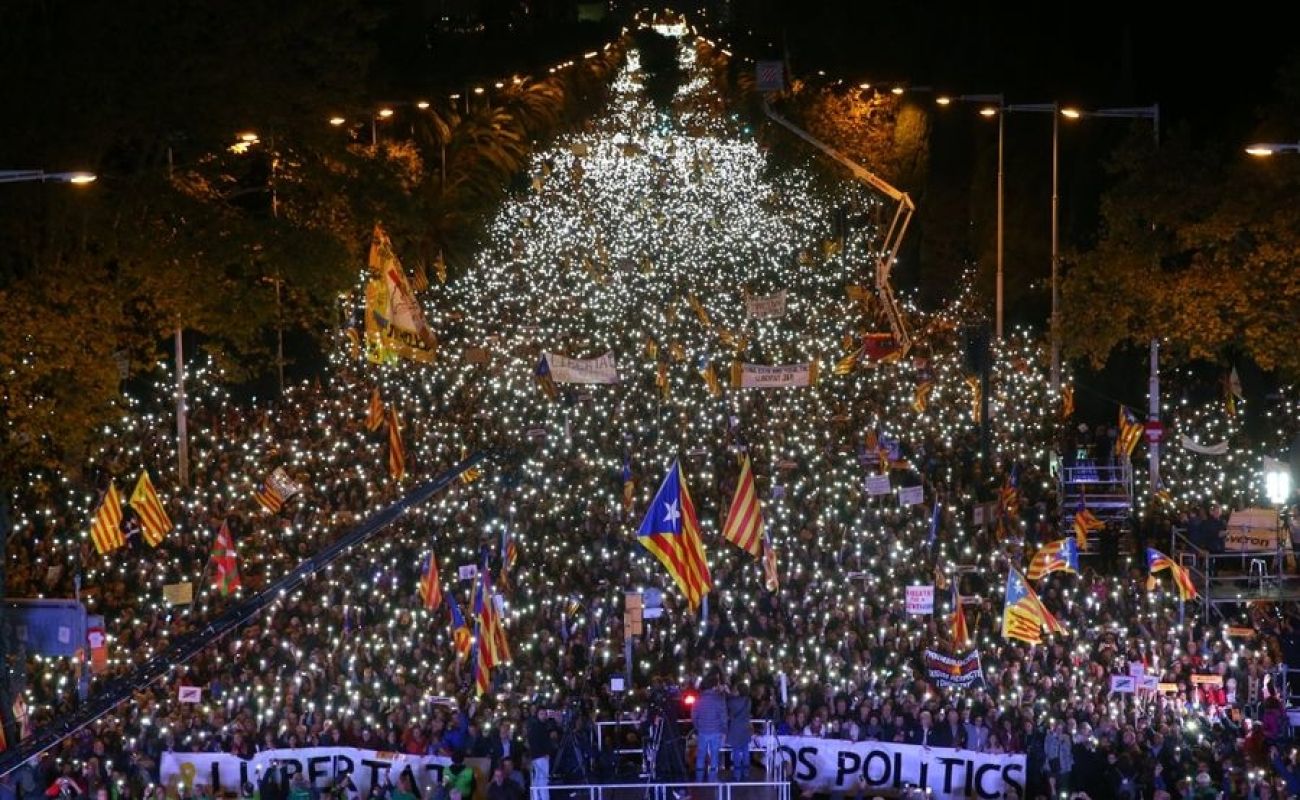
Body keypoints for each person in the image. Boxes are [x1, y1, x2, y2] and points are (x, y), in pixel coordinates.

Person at [691, 675, 728, 782]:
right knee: (714, 755)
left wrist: (697, 726)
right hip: (716, 731)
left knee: (701, 755)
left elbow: (694, 715)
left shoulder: (698, 699)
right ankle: (712, 779)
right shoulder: (719, 699)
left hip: (702, 731)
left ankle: (699, 779)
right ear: (714, 686)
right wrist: (724, 730)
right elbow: (723, 717)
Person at [725, 683, 752, 782]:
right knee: (745, 751)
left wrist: (728, 692)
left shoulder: (733, 702)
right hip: (745, 728)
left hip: (735, 728)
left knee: (736, 752)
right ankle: (746, 772)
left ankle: (737, 775)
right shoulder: (748, 701)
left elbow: (728, 702)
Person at [525, 706, 553, 791]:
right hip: (540, 757)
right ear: (537, 715)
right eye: (541, 714)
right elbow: (535, 742)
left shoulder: (543, 726)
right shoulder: (536, 727)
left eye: (544, 714)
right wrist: (544, 754)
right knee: (542, 780)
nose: (543, 716)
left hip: (539, 756)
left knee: (539, 780)